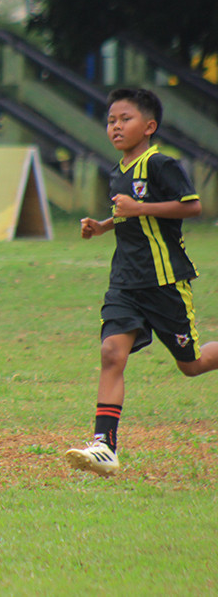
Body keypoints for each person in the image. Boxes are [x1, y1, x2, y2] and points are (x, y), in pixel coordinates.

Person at [66, 87, 218, 477]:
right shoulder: (117, 171)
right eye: (111, 120)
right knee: (111, 354)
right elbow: (127, 216)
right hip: (125, 282)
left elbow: (193, 206)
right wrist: (102, 226)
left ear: (149, 126)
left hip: (164, 282)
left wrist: (140, 207)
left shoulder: (161, 164)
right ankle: (104, 446)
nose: (115, 127)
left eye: (125, 119)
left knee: (192, 364)